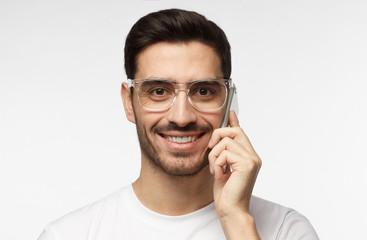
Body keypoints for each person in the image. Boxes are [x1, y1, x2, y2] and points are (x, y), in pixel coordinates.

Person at [38, 9, 319, 240]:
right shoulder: (68, 234)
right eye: (159, 91)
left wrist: (236, 220)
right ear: (129, 102)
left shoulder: (286, 231)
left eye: (204, 91)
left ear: (229, 99)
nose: (182, 117)